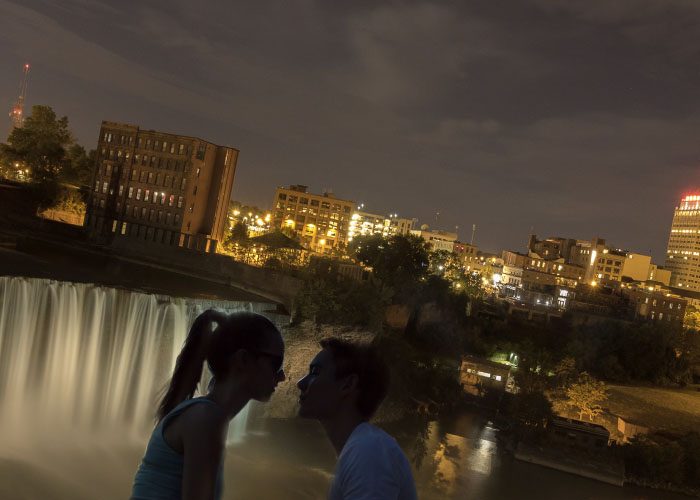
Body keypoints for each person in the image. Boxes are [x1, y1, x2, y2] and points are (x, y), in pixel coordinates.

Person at [131, 309, 285, 500]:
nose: (282, 376)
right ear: (243, 359)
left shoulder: (200, 412)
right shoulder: (205, 418)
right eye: (277, 363)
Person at [297, 338, 417, 500]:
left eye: (315, 372)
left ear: (347, 385)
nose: (301, 383)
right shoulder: (363, 447)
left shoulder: (369, 451)